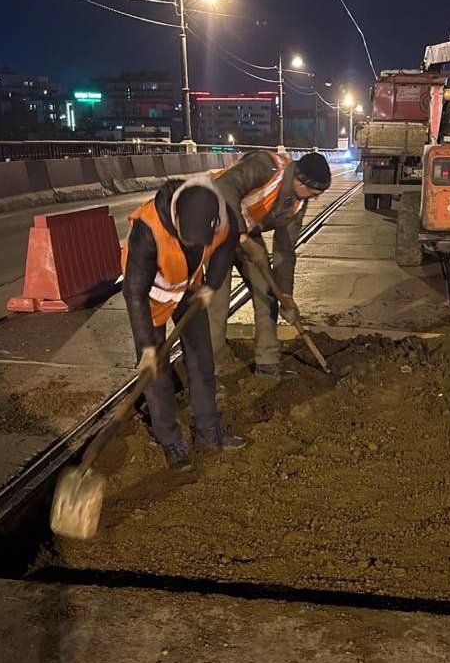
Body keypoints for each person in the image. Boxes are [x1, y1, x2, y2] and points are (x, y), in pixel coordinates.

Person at [122, 175, 245, 472]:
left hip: (189, 290)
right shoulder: (147, 228)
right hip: (150, 300)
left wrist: (211, 285)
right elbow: (134, 292)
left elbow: (228, 245)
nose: (192, 245)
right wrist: (148, 348)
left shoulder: (220, 215)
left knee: (202, 360)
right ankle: (170, 441)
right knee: (156, 374)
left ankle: (208, 429)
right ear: (176, 219)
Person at [209, 151, 331, 378]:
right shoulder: (266, 166)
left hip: (247, 234)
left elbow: (285, 249)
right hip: (217, 230)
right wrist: (242, 236)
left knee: (268, 295)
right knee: (218, 303)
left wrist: (286, 294)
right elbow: (224, 186)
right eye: (313, 192)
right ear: (299, 180)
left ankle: (267, 362)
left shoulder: (296, 204)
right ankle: (211, 370)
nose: (314, 198)